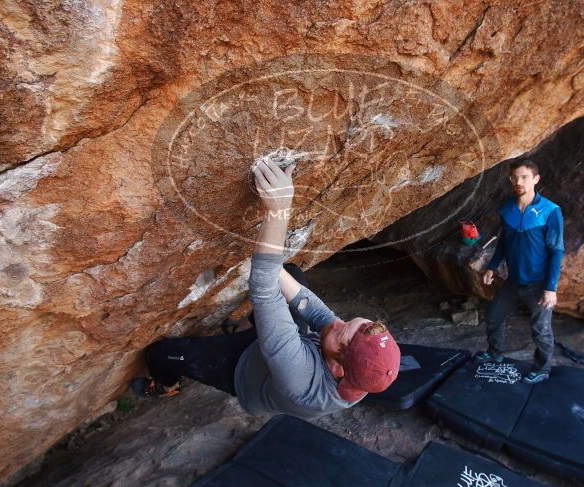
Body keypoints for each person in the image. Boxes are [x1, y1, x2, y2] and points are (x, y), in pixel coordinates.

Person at [130, 157, 401, 419]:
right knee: (290, 274)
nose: (337, 321)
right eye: (348, 322)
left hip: (242, 372)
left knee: (159, 355)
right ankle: (250, 327)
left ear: (335, 368)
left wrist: (278, 210)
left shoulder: (300, 380)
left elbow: (264, 289)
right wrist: (268, 257)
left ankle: (167, 387)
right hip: (280, 347)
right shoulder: (364, 370)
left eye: (342, 330)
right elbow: (318, 315)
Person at [474, 158, 564, 385]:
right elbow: (504, 240)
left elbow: (556, 250)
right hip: (513, 280)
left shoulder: (551, 211)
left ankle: (542, 369)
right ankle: (495, 354)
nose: (518, 181)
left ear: (536, 179)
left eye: (524, 177)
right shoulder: (507, 208)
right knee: (494, 315)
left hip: (538, 282)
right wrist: (492, 266)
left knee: (541, 329)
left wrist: (550, 288)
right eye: (514, 178)